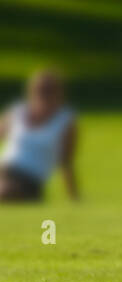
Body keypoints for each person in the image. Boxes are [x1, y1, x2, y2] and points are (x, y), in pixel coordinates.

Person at [0, 69, 78, 202]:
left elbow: (66, 161)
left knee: (7, 191)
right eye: (40, 90)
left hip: (30, 180)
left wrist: (74, 196)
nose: (43, 95)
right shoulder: (18, 112)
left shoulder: (65, 121)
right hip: (4, 170)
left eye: (48, 91)